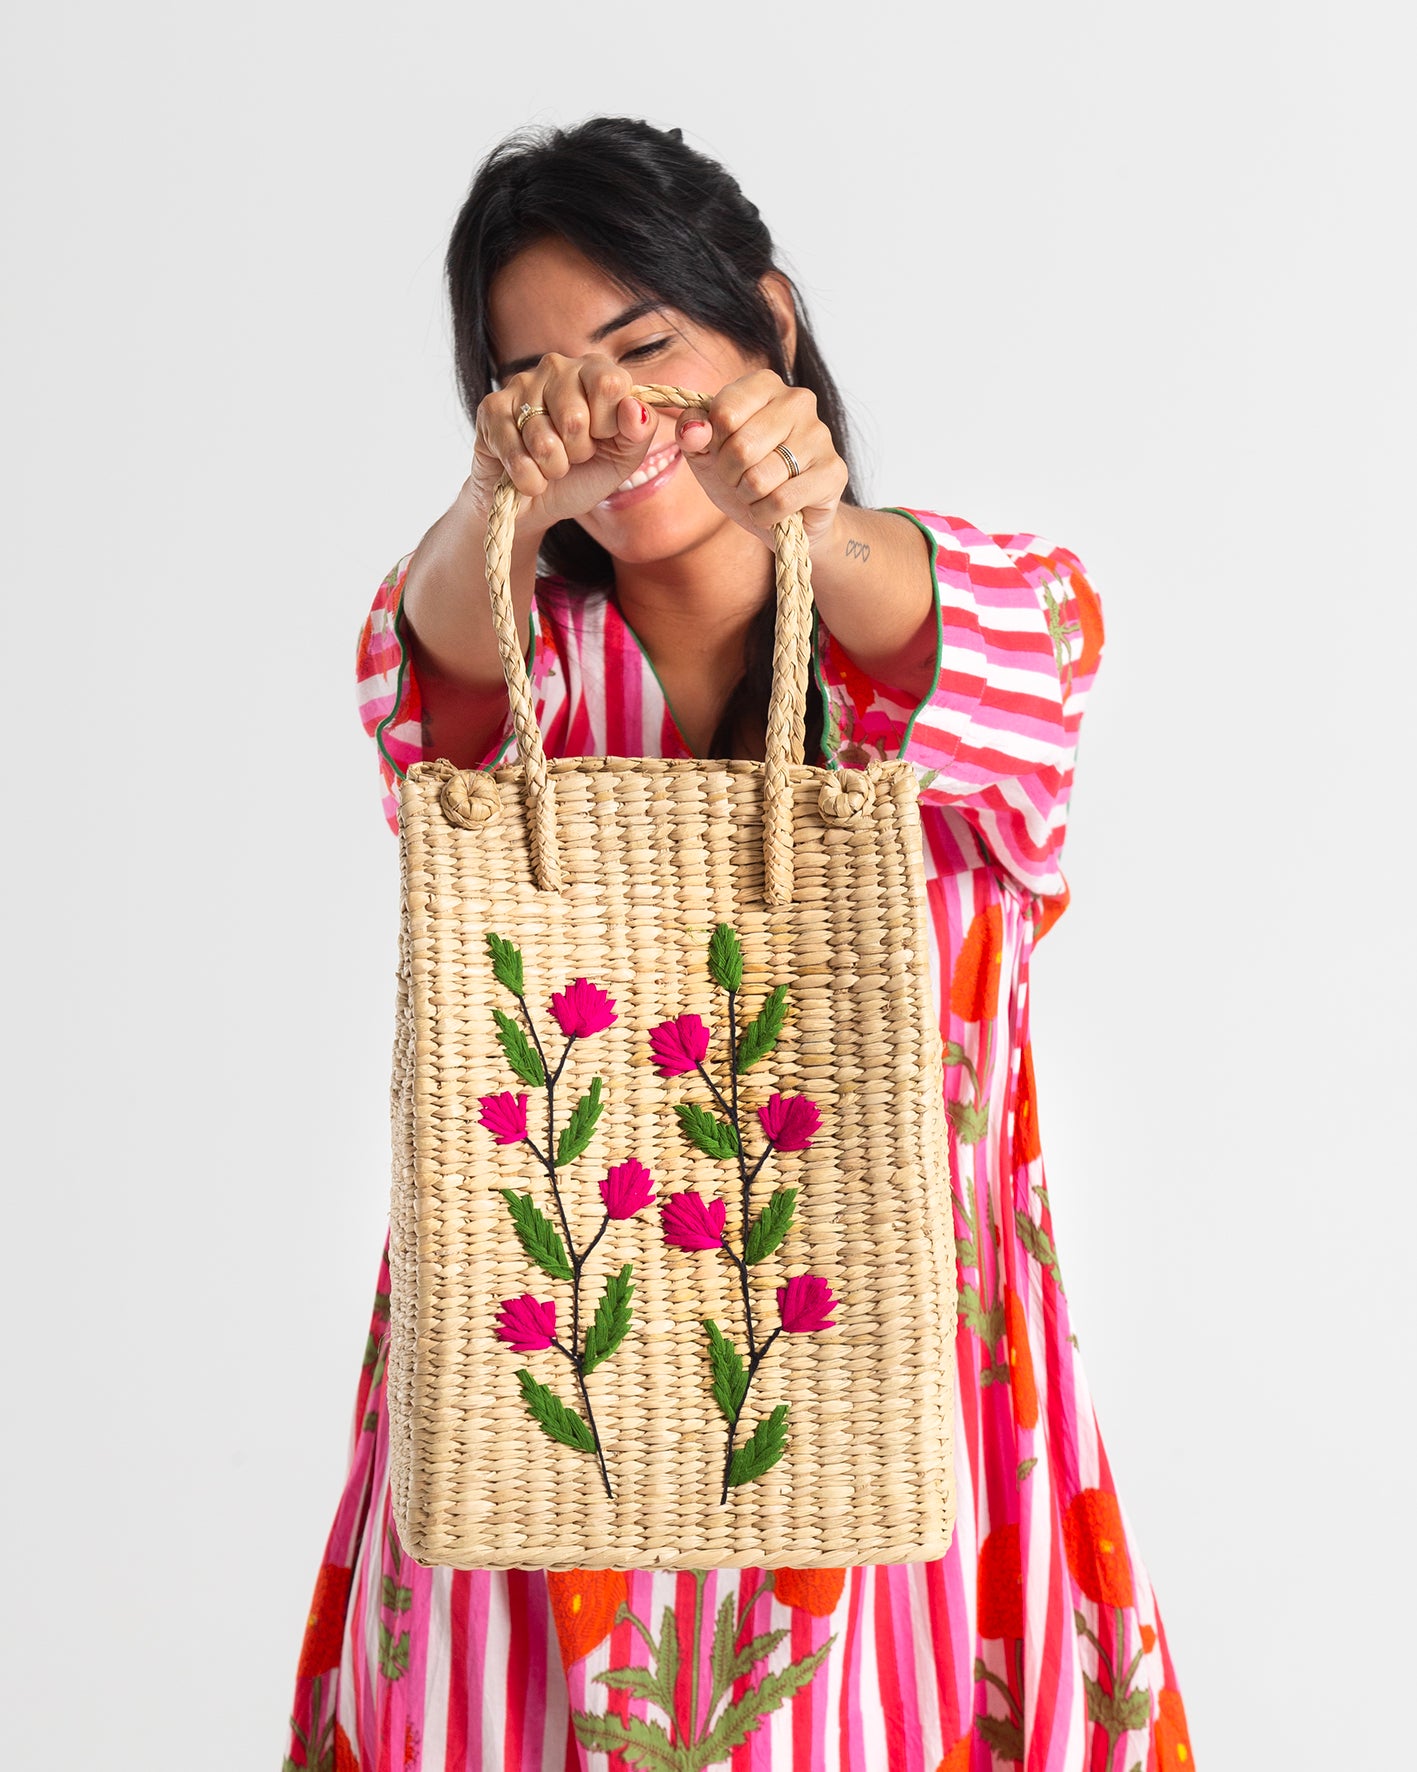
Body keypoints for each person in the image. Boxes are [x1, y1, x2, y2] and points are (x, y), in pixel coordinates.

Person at [285, 118, 1193, 1772]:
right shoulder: (514, 681)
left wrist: (806, 516)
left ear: (767, 325)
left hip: (903, 1418)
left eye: (647, 344)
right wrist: (496, 493)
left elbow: (1002, 656)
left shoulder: (979, 615)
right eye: (541, 377)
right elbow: (414, 676)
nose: (613, 412)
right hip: (542, 1398)